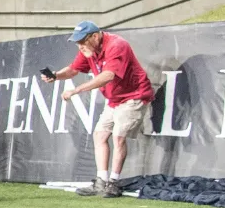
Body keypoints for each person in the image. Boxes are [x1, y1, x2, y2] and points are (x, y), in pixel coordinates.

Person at [40, 21, 155, 197]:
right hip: (115, 99)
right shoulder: (88, 50)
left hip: (134, 96)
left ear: (95, 36)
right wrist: (55, 76)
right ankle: (101, 181)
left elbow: (108, 76)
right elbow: (72, 70)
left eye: (82, 42)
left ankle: (114, 183)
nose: (79, 46)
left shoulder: (116, 45)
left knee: (118, 137)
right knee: (100, 135)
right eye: (77, 43)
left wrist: (76, 90)